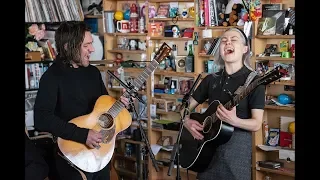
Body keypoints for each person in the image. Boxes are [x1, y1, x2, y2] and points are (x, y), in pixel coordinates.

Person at [33, 21, 130, 180]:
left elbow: (104, 112)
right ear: (67, 47)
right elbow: (41, 118)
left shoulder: (93, 73)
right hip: (71, 156)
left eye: (91, 44)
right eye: (86, 46)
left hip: (100, 154)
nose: (92, 49)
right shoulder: (51, 77)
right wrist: (82, 135)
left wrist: (120, 105)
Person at [183, 27, 265, 180]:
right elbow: (184, 108)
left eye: (233, 40)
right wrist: (186, 120)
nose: (228, 43)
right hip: (206, 153)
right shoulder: (210, 79)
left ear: (245, 49)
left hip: (236, 155)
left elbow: (256, 124)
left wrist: (234, 121)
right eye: (224, 41)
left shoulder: (255, 82)